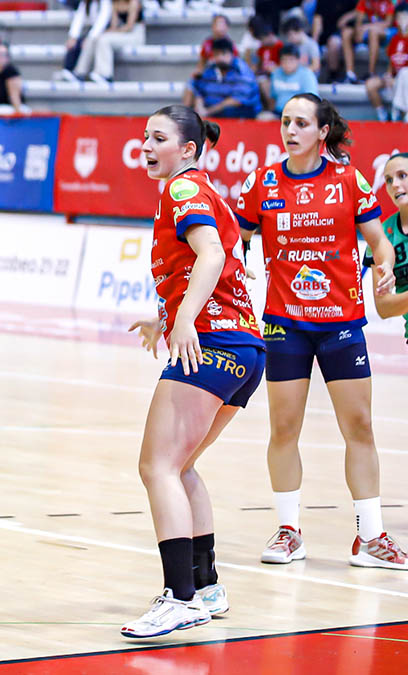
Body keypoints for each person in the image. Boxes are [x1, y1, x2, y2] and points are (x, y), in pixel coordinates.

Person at [234, 93, 406, 570]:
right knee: (284, 428)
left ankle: (370, 539)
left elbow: (379, 242)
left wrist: (386, 267)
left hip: (342, 325)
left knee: (361, 428)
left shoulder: (348, 180)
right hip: (283, 323)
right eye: (286, 121)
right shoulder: (262, 182)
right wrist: (237, 268)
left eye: (301, 122)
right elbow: (235, 241)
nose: (290, 129)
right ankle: (289, 531)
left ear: (321, 131)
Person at [121, 105, 264, 639]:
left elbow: (208, 255)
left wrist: (183, 321)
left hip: (213, 343)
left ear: (188, 149)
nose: (147, 145)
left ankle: (178, 597)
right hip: (244, 348)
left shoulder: (183, 191)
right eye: (144, 137)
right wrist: (164, 318)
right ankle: (205, 588)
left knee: (156, 466)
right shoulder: (200, 191)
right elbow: (215, 265)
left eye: (159, 138)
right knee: (180, 467)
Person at [363, 152, 408, 339]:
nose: (394, 185)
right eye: (389, 180)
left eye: (402, 176)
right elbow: (384, 307)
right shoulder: (382, 236)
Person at [73, 0, 144, 85]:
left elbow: (129, 27)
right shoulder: (114, 3)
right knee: (98, 38)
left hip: (135, 35)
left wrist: (112, 32)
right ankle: (82, 72)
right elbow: (114, 25)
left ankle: (105, 74)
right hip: (121, 32)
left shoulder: (134, 2)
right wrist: (107, 32)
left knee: (104, 40)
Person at [190, 38, 263, 119]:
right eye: (216, 54)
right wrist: (199, 107)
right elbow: (200, 91)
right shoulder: (210, 69)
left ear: (232, 54)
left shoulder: (242, 70)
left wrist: (208, 111)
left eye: (224, 54)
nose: (220, 58)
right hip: (214, 110)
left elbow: (236, 100)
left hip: (241, 110)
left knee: (229, 111)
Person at [363, 2, 408, 120]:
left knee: (404, 74)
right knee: (370, 84)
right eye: (399, 17)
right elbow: (391, 62)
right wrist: (388, 75)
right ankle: (383, 116)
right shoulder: (394, 40)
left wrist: (396, 80)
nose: (401, 20)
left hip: (405, 79)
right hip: (394, 78)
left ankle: (400, 114)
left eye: (404, 16)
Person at [57, 0, 111, 83]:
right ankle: (68, 69)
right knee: (75, 42)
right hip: (93, 32)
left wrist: (90, 37)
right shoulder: (86, 3)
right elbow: (79, 19)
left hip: (104, 31)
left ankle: (80, 72)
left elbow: (102, 22)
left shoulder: (105, 2)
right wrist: (73, 37)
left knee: (90, 42)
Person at [342, 0, 396, 82]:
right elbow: (359, 22)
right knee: (346, 33)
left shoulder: (389, 2)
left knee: (373, 32)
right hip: (369, 30)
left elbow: (388, 23)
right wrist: (358, 31)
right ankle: (350, 74)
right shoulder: (364, 1)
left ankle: (371, 73)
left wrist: (368, 27)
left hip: (388, 31)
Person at [267, 43, 320, 117]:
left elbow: (312, 100)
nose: (287, 63)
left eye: (291, 60)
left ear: (298, 60)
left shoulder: (307, 75)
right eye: (284, 60)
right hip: (279, 112)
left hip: (300, 115)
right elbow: (273, 98)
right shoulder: (276, 73)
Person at [315, 0, 360, 81]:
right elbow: (317, 19)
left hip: (348, 33)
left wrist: (347, 17)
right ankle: (333, 75)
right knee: (333, 42)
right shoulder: (322, 1)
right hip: (328, 33)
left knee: (336, 41)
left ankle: (344, 74)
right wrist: (314, 42)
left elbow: (359, 10)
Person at [0, 42, 28, 113]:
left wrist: (18, 114)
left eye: (2, 55)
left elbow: (14, 96)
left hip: (8, 108)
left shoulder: (11, 72)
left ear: (8, 58)